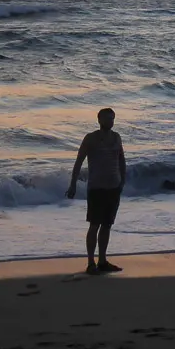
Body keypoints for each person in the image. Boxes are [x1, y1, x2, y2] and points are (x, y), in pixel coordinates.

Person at [67, 107, 127, 274]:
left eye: (112, 119)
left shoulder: (116, 138)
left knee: (107, 225)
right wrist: (73, 184)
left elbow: (121, 160)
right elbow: (79, 162)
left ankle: (102, 260)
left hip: (114, 187)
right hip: (96, 188)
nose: (110, 122)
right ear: (99, 120)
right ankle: (90, 262)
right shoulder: (90, 139)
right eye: (107, 119)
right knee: (94, 224)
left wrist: (123, 180)